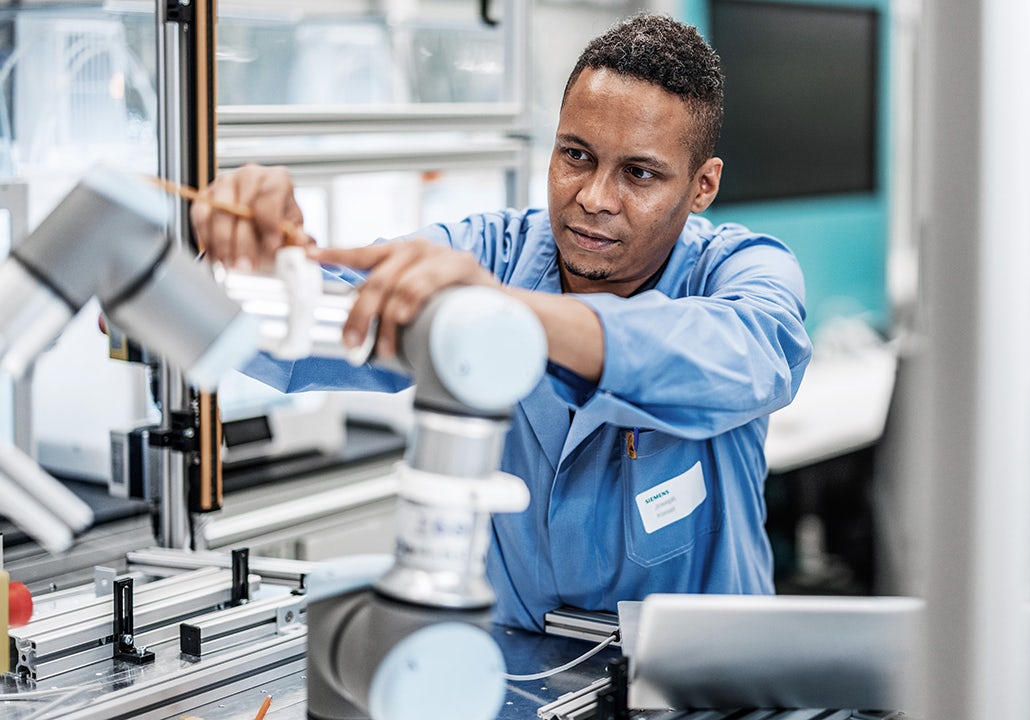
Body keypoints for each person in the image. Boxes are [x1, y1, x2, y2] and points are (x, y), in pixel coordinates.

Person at [191, 13, 811, 632]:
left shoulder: (742, 270)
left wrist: (503, 314)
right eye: (576, 156)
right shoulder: (493, 253)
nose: (594, 197)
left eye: (639, 173)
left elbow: (744, 357)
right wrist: (217, 260)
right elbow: (326, 318)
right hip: (524, 676)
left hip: (699, 691)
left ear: (702, 186)